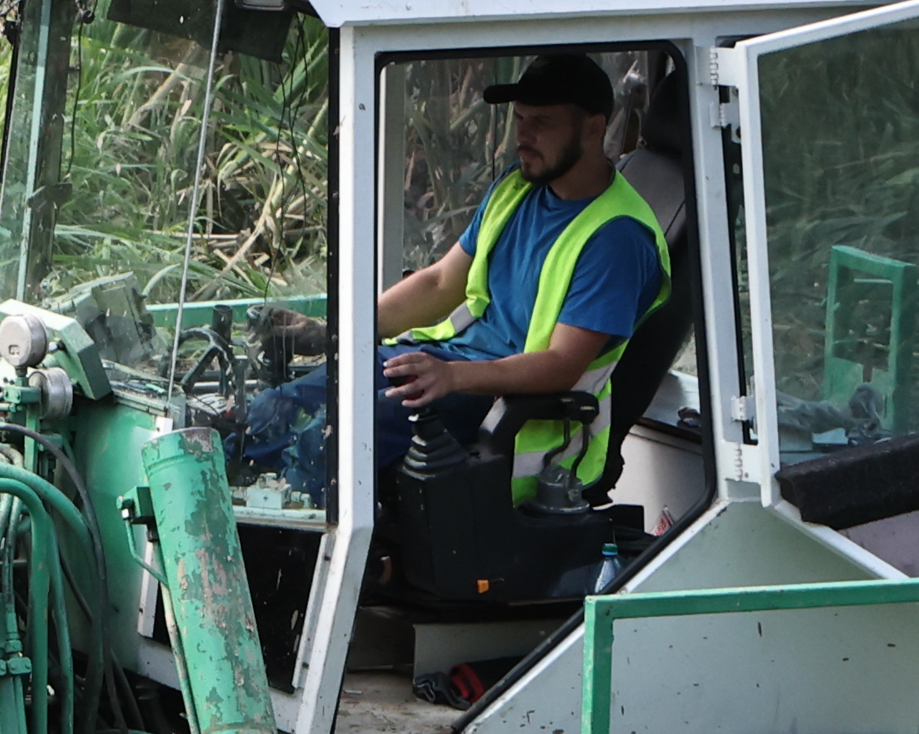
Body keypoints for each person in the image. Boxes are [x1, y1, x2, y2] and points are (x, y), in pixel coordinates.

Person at [232, 48, 668, 505]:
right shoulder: (517, 187)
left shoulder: (617, 238)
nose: (524, 136)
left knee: (328, 444)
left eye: (542, 122)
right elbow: (442, 283)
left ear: (594, 126)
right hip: (443, 363)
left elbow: (562, 364)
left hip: (501, 404)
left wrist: (453, 376)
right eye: (520, 120)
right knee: (271, 411)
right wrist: (335, 333)